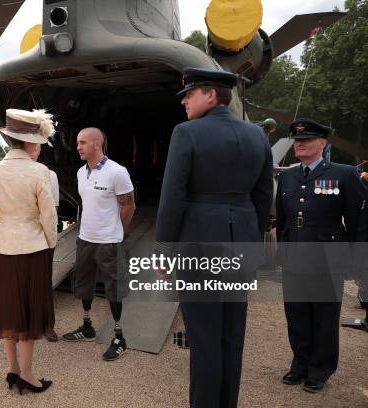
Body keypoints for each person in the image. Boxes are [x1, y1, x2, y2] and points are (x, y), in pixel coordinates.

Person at [156, 68, 273, 408]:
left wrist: (164, 249)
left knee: (204, 339)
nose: (184, 103)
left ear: (210, 95)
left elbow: (172, 198)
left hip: (200, 245)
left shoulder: (187, 133)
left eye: (188, 95)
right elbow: (263, 197)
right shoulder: (257, 136)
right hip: (242, 245)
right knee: (232, 336)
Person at [276, 118, 364, 393]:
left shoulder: (344, 174)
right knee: (297, 313)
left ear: (323, 143)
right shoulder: (289, 175)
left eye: (307, 140)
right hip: (295, 256)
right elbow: (283, 218)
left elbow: (358, 219)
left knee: (324, 316)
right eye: (297, 141)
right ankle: (300, 363)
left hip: (328, 258)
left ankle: (320, 369)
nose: (300, 144)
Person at [0, 108, 57, 394]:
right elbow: (48, 216)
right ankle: (27, 373)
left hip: (3, 247)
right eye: (37, 143)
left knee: (7, 309)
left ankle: (12, 369)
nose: (39, 148)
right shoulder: (38, 171)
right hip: (32, 247)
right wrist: (50, 242)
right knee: (28, 311)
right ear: (28, 143)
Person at [62, 127, 136, 362]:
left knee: (114, 289)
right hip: (85, 239)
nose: (78, 147)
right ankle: (87, 327)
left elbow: (129, 206)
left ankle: (119, 336)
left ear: (97, 144)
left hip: (108, 243)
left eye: (82, 142)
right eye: (77, 143)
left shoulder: (117, 172)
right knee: (83, 284)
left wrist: (118, 231)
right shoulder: (81, 172)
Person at [27, 143, 60, 342]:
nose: (32, 151)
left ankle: (47, 325)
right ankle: (24, 323)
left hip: (41, 234)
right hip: (19, 235)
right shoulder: (10, 173)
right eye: (28, 147)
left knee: (44, 281)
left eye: (35, 148)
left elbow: (53, 208)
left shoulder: (49, 175)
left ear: (39, 151)